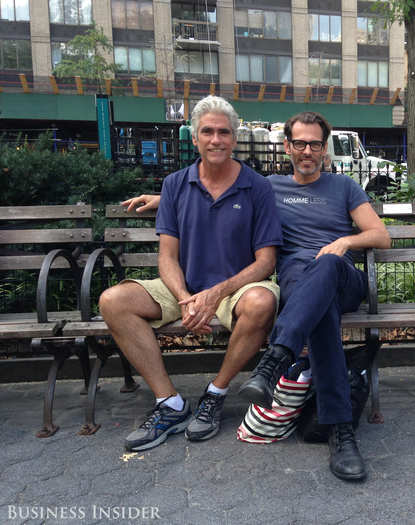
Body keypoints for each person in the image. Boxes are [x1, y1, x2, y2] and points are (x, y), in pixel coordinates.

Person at [123, 112, 391, 483]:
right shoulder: (267, 187)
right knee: (319, 310)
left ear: (324, 149)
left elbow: (380, 235)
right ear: (287, 147)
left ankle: (274, 361)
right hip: (300, 281)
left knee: (326, 268)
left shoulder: (344, 187)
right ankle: (341, 431)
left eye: (315, 144)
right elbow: (220, 185)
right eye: (300, 143)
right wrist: (163, 196)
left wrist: (344, 241)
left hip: (341, 275)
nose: (308, 151)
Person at [102, 95, 283, 452]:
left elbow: (265, 263)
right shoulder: (174, 185)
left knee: (263, 301)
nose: (216, 139)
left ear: (234, 138)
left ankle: (215, 393)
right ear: (195, 138)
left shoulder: (257, 187)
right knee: (113, 300)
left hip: (237, 287)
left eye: (224, 132)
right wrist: (186, 298)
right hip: (184, 286)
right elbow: (167, 257)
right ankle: (169, 403)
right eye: (207, 132)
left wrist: (214, 295)